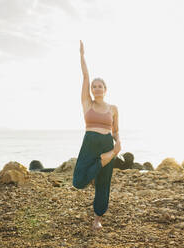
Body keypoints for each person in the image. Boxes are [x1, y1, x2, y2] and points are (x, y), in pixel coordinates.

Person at [72, 40, 121, 230]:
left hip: (107, 145)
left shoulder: (113, 108)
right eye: (94, 86)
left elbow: (116, 131)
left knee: (103, 184)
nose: (97, 88)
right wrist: (82, 56)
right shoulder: (87, 104)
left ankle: (97, 219)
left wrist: (118, 145)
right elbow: (85, 76)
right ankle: (99, 162)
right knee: (78, 181)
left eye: (100, 86)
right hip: (90, 144)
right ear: (91, 90)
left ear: (105, 89)